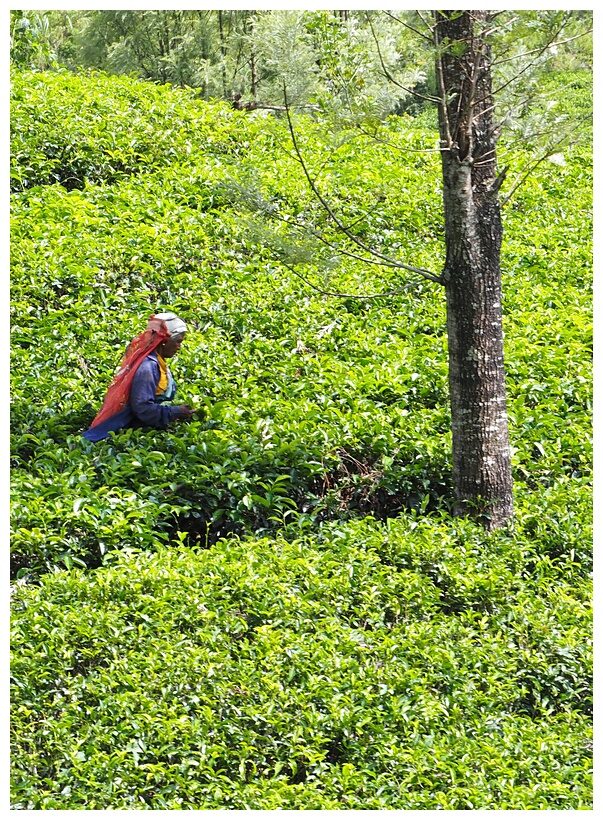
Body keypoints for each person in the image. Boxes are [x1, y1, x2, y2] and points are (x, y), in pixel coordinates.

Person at [82, 312, 195, 442]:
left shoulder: (158, 362)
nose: (179, 347)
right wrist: (175, 411)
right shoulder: (148, 367)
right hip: (132, 434)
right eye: (178, 342)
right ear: (164, 341)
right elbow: (143, 409)